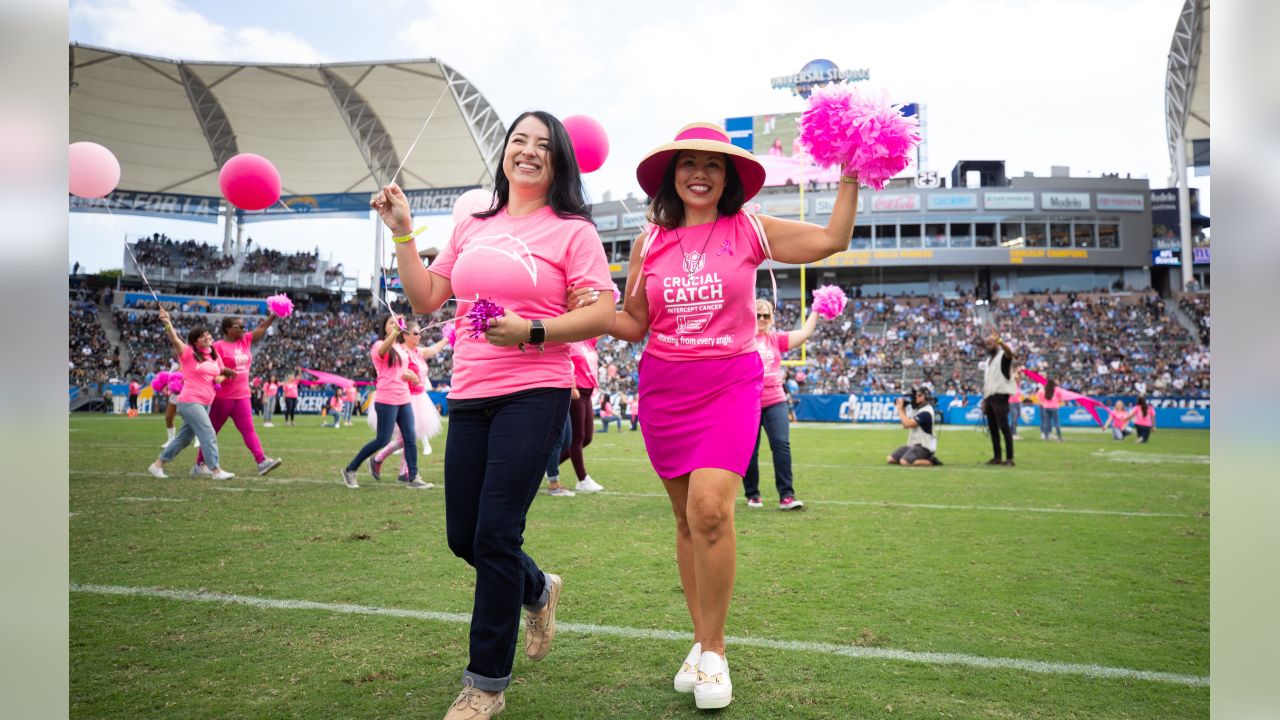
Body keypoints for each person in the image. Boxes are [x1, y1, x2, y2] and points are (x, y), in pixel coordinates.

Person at [605, 121, 859, 710]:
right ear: (672, 175)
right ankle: (698, 640)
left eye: (712, 165)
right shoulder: (648, 242)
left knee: (712, 510)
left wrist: (849, 171)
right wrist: (575, 314)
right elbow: (633, 322)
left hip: (730, 383)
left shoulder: (749, 229)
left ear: (729, 177)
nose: (699, 173)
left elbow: (831, 239)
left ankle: (714, 652)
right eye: (688, 163)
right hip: (665, 387)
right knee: (687, 523)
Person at [372, 110, 615, 719]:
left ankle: (485, 685)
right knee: (464, 537)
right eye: (518, 142)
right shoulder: (475, 226)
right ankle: (537, 588)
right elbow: (427, 297)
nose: (528, 152)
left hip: (536, 391)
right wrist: (403, 234)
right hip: (472, 393)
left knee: (496, 533)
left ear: (558, 160)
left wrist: (532, 330)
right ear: (504, 155)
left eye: (542, 145)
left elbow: (600, 314)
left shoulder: (573, 232)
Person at [743, 299, 819, 510]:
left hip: (775, 399)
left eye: (766, 315)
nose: (761, 319)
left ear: (771, 318)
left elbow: (804, 333)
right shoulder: (742, 338)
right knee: (750, 450)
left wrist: (817, 310)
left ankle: (786, 495)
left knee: (781, 445)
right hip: (749, 402)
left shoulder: (776, 339)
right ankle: (752, 494)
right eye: (758, 314)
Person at [148, 309, 237, 480]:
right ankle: (216, 470)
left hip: (205, 402)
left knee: (184, 439)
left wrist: (224, 375)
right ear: (195, 342)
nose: (207, 337)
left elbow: (218, 375)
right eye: (202, 336)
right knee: (208, 432)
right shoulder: (188, 354)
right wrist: (167, 322)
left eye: (208, 334)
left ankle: (157, 465)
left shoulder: (214, 355)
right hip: (190, 401)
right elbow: (174, 339)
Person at [342, 316, 427, 489]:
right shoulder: (379, 345)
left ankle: (413, 477)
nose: (395, 324)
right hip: (387, 399)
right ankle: (350, 469)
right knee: (382, 440)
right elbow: (383, 352)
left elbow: (403, 372)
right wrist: (396, 331)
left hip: (403, 398)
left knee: (410, 438)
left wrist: (412, 376)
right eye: (391, 322)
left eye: (396, 323)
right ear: (385, 328)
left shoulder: (401, 348)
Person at [194, 316, 283, 476]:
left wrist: (274, 315)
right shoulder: (217, 347)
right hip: (222, 398)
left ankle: (262, 461)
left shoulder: (245, 340)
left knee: (249, 430)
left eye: (244, 327)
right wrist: (221, 375)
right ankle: (199, 465)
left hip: (242, 396)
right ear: (228, 329)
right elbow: (208, 367)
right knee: (211, 432)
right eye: (239, 327)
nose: (243, 329)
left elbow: (261, 328)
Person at [368, 321, 445, 483]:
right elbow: (386, 363)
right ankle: (381, 460)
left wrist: (449, 338)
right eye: (416, 333)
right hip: (405, 397)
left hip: (419, 397)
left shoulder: (417, 352)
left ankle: (402, 470)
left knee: (410, 437)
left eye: (419, 333)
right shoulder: (400, 352)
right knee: (407, 437)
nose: (419, 336)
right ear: (406, 335)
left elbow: (433, 349)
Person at [554, 339, 604, 492]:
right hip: (576, 392)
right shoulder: (567, 342)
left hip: (588, 391)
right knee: (577, 437)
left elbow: (604, 322)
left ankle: (548, 466)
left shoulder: (588, 341)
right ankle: (582, 479)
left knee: (587, 438)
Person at [981, 332, 1018, 466]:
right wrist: (985, 401)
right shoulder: (988, 361)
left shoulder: (1003, 355)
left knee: (1004, 428)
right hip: (990, 397)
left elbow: (1010, 353)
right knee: (993, 429)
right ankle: (997, 457)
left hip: (1000, 396)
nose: (988, 346)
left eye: (990, 343)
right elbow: (987, 382)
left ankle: (1009, 458)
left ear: (997, 344)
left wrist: (1001, 341)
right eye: (987, 344)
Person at [888, 387, 942, 466]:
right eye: (916, 395)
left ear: (926, 397)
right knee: (891, 459)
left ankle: (930, 461)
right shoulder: (918, 410)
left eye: (919, 395)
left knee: (904, 461)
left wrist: (899, 409)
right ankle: (918, 458)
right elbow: (905, 424)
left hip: (924, 447)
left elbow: (907, 424)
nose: (916, 397)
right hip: (913, 445)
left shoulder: (926, 411)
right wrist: (903, 408)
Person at [1036, 376, 1065, 442]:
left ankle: (1046, 437)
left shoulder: (1045, 389)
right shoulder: (1057, 389)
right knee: (1056, 422)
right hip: (1054, 407)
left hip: (1046, 407)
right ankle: (1059, 437)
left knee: (1046, 422)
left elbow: (1042, 398)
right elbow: (1061, 398)